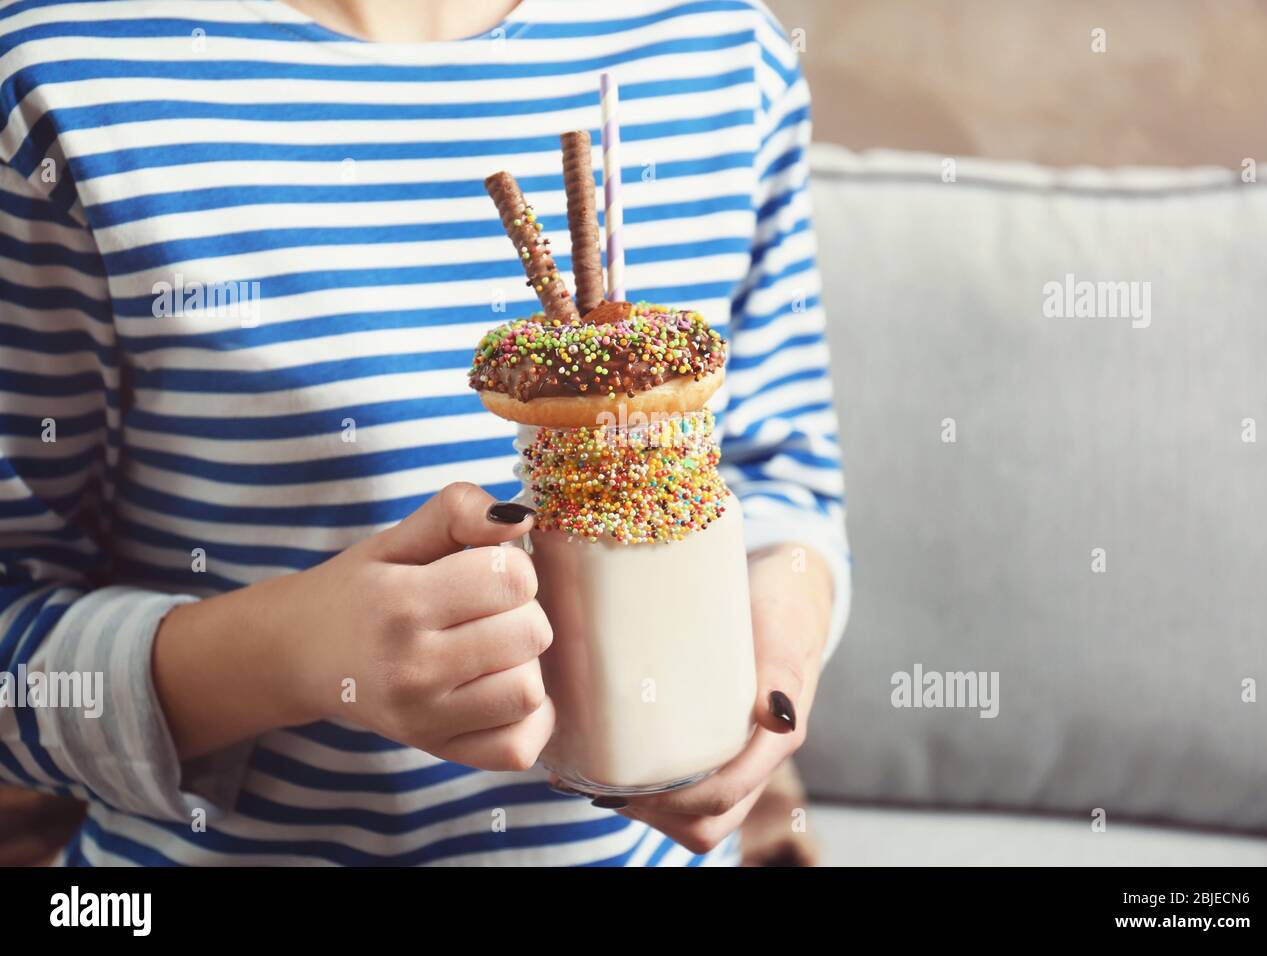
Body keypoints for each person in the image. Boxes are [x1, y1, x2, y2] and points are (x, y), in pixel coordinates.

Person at [0, 0, 849, 866]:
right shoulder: (63, 70)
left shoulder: (724, 46)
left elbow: (785, 479)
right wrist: (301, 652)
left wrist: (768, 673)